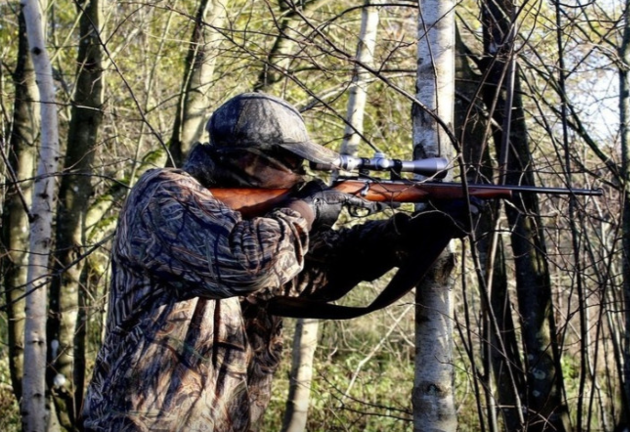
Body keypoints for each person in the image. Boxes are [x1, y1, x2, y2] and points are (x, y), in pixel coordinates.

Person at [81, 92, 471, 431]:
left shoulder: (258, 225)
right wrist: (305, 210)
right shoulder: (165, 193)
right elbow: (247, 264)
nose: (299, 174)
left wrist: (413, 232)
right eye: (291, 162)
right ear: (249, 160)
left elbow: (316, 275)